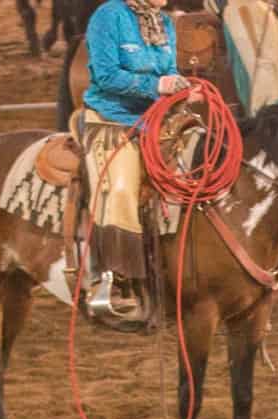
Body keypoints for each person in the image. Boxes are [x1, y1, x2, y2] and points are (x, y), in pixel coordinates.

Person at [78, 0, 188, 328]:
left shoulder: (164, 22)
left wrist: (180, 86)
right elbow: (106, 74)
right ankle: (116, 279)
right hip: (112, 119)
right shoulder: (108, 17)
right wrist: (156, 86)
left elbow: (168, 70)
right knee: (122, 189)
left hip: (157, 121)